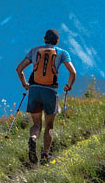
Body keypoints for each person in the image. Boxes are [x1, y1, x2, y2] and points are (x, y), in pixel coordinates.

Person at [15, 29, 76, 164]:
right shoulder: (62, 53)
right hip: (50, 91)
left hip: (34, 90)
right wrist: (68, 86)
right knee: (49, 125)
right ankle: (45, 154)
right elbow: (73, 72)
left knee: (37, 124)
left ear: (44, 39)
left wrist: (25, 84)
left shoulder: (34, 50)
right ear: (57, 41)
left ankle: (33, 137)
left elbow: (19, 69)